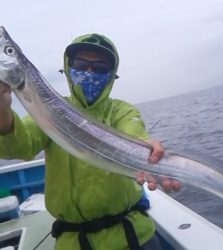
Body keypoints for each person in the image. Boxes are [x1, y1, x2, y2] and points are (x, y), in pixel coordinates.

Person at [0, 33, 180, 250]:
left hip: (134, 236)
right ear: (68, 67)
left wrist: (146, 151)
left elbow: (134, 136)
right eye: (81, 64)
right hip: (73, 243)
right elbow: (20, 147)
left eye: (100, 67)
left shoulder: (122, 111)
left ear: (112, 75)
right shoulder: (49, 109)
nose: (89, 72)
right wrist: (2, 106)